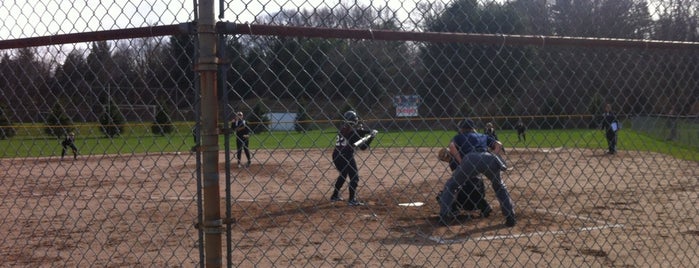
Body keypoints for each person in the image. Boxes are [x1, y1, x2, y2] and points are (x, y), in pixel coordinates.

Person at [438, 119, 516, 227]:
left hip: (470, 159)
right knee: (499, 186)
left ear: (461, 128)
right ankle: (510, 216)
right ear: (473, 128)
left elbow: (451, 147)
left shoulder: (458, 137)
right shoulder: (482, 136)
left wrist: (461, 162)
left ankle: (444, 216)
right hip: (488, 157)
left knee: (451, 186)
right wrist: (494, 155)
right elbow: (499, 144)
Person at [442, 121, 492, 219]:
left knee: (445, 192)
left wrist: (452, 158)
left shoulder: (458, 141)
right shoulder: (478, 143)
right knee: (470, 186)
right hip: (478, 193)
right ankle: (484, 206)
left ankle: (451, 211)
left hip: (466, 197)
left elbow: (452, 148)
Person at [330, 110, 377, 206]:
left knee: (343, 175)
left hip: (336, 155)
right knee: (354, 177)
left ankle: (334, 195)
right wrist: (371, 137)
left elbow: (358, 132)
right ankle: (352, 200)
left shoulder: (343, 128)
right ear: (354, 120)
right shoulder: (352, 133)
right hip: (346, 156)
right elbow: (363, 147)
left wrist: (368, 132)